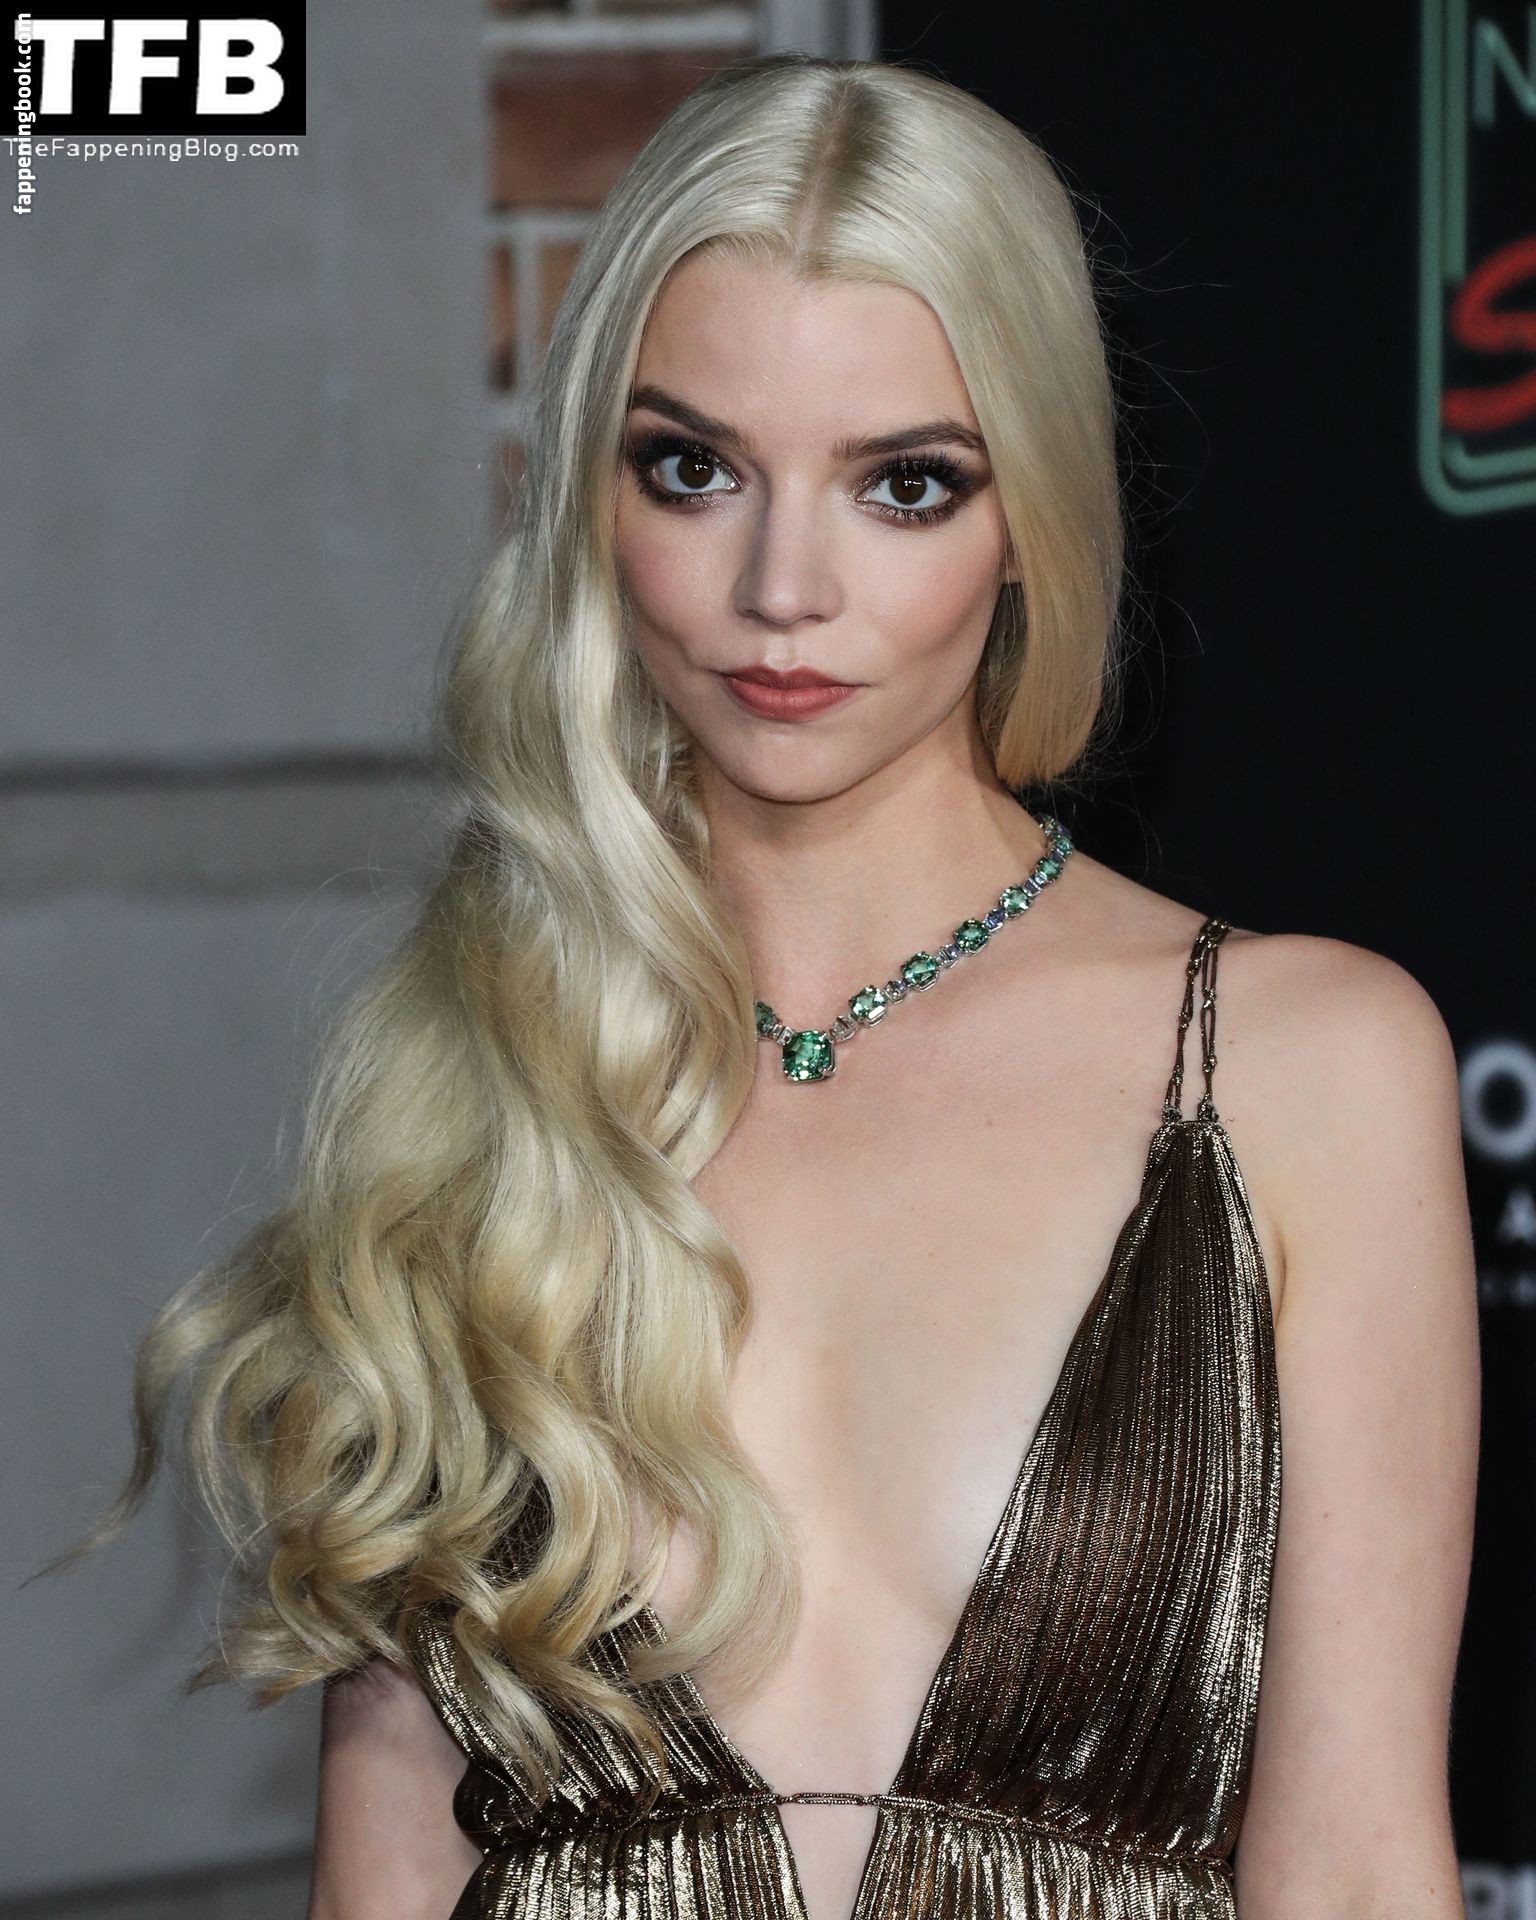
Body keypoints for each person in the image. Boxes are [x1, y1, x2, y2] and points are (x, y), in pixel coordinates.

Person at [44, 51, 1478, 1920]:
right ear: (591, 494)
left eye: (905, 484)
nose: (781, 585)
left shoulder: (1302, 1068)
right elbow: (384, 1882)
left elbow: (1359, 1868)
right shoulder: (472, 1083)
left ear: (1031, 513)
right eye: (695, 468)